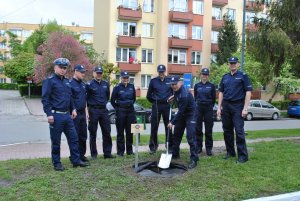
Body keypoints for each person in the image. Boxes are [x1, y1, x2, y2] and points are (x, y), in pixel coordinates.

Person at [41, 58, 89, 171]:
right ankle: (57, 163)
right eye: (60, 67)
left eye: (64, 68)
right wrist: (49, 114)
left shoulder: (67, 81)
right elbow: (45, 99)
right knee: (56, 142)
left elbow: (70, 97)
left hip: (67, 116)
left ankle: (76, 160)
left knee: (74, 139)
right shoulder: (50, 81)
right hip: (56, 115)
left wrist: (73, 109)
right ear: (55, 67)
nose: (63, 70)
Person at [217, 57, 252, 163]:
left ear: (238, 64)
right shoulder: (225, 77)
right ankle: (230, 152)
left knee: (239, 131)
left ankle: (243, 156)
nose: (232, 65)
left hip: (238, 106)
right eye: (230, 63)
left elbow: (248, 92)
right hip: (226, 106)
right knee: (227, 131)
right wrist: (219, 107)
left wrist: (245, 108)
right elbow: (221, 93)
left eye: (234, 63)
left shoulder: (243, 76)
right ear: (228, 65)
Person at [167, 75, 198, 169]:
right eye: (172, 84)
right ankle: (175, 154)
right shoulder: (176, 90)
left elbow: (180, 111)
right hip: (182, 114)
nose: (173, 86)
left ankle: (194, 158)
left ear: (180, 83)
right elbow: (177, 97)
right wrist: (172, 98)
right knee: (176, 134)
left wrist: (172, 122)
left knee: (190, 136)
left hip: (190, 114)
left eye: (175, 84)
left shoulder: (184, 94)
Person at [86, 66, 115, 159]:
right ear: (94, 73)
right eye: (97, 73)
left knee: (107, 131)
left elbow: (107, 96)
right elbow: (85, 99)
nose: (99, 74)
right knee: (93, 132)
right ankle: (94, 154)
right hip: (93, 110)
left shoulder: (106, 84)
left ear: (102, 74)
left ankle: (107, 153)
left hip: (103, 110)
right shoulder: (89, 84)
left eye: (100, 73)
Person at [146, 64, 173, 154]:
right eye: (159, 72)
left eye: (162, 71)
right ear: (158, 72)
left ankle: (169, 145)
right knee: (154, 126)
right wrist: (154, 101)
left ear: (165, 71)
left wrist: (172, 99)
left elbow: (174, 93)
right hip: (156, 105)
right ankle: (153, 146)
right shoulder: (153, 81)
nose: (161, 73)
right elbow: (148, 95)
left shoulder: (169, 80)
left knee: (168, 126)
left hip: (167, 105)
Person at [111, 71, 136, 156]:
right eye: (124, 78)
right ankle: (120, 152)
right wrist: (118, 108)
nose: (125, 79)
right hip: (121, 111)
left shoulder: (131, 87)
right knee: (120, 132)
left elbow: (134, 99)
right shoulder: (117, 88)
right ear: (121, 78)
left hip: (130, 112)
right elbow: (112, 101)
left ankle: (130, 151)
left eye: (127, 78)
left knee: (130, 132)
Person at [194, 68, 216, 156]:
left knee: (208, 130)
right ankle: (199, 147)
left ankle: (209, 148)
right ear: (201, 75)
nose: (204, 76)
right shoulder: (197, 85)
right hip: (199, 108)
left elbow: (214, 99)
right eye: (203, 74)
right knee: (198, 129)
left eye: (206, 75)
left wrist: (209, 105)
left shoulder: (211, 86)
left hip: (208, 109)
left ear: (208, 76)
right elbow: (195, 97)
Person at [69, 64, 88, 162]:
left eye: (84, 72)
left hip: (82, 113)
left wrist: (86, 112)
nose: (83, 74)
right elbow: (69, 99)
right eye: (81, 72)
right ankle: (74, 157)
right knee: (75, 136)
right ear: (75, 71)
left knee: (83, 135)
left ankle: (81, 155)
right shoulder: (70, 83)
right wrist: (72, 109)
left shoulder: (83, 84)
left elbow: (84, 100)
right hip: (74, 114)